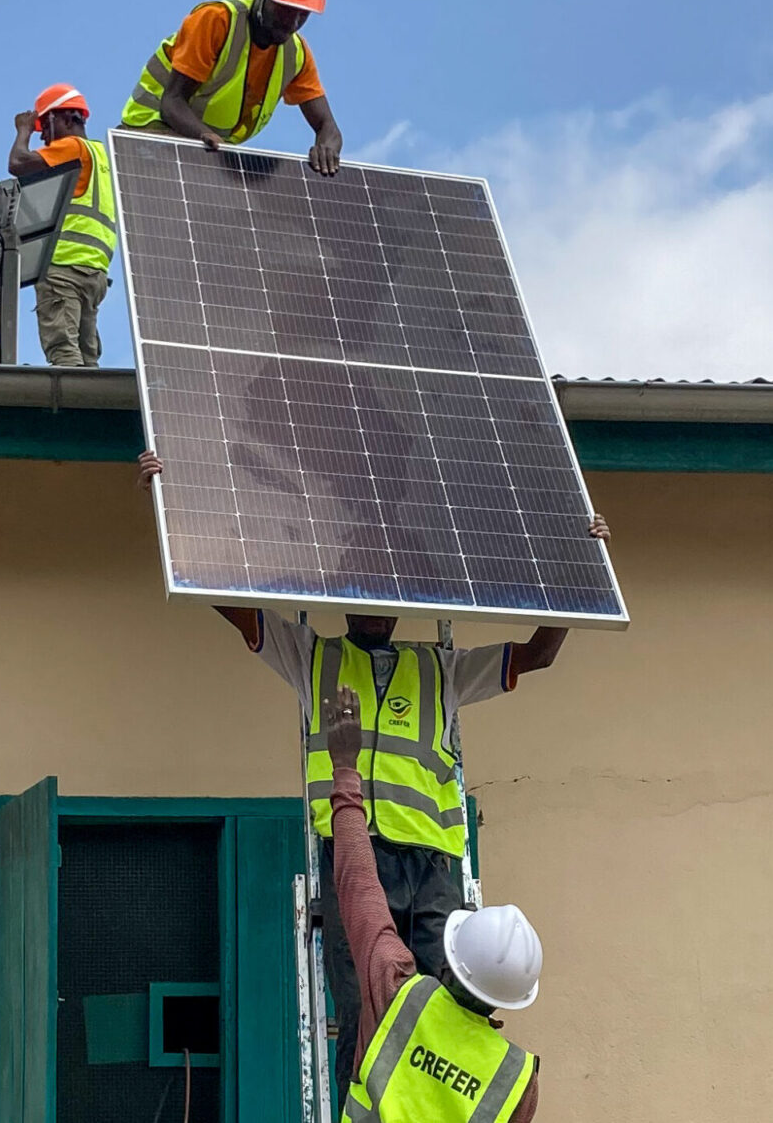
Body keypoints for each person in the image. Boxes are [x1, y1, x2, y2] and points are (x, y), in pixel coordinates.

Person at [136, 449, 603, 1110]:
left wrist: (581, 568)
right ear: (342, 592)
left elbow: (539, 654)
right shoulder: (314, 657)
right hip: (357, 854)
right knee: (362, 1012)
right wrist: (174, 512)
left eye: (387, 591)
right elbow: (238, 611)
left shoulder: (441, 669)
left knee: (447, 1010)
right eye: (361, 588)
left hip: (434, 865)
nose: (375, 606)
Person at [321, 685, 543, 1123]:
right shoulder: (517, 1080)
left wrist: (345, 770)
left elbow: (359, 887)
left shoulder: (395, 993)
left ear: (447, 964)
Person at [120, 0, 344, 176]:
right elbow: (172, 103)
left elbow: (328, 126)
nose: (292, 22)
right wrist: (205, 137)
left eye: (303, 13)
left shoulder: (296, 56)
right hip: (151, 129)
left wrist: (327, 147)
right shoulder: (216, 22)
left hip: (210, 148)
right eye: (285, 8)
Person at [8, 83, 117, 367]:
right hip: (95, 272)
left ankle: (72, 396)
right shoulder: (103, 156)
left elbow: (18, 163)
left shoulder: (73, 148)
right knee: (87, 358)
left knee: (64, 353)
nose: (44, 136)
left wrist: (23, 130)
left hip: (64, 268)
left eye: (46, 125)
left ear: (68, 119)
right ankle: (89, 396)